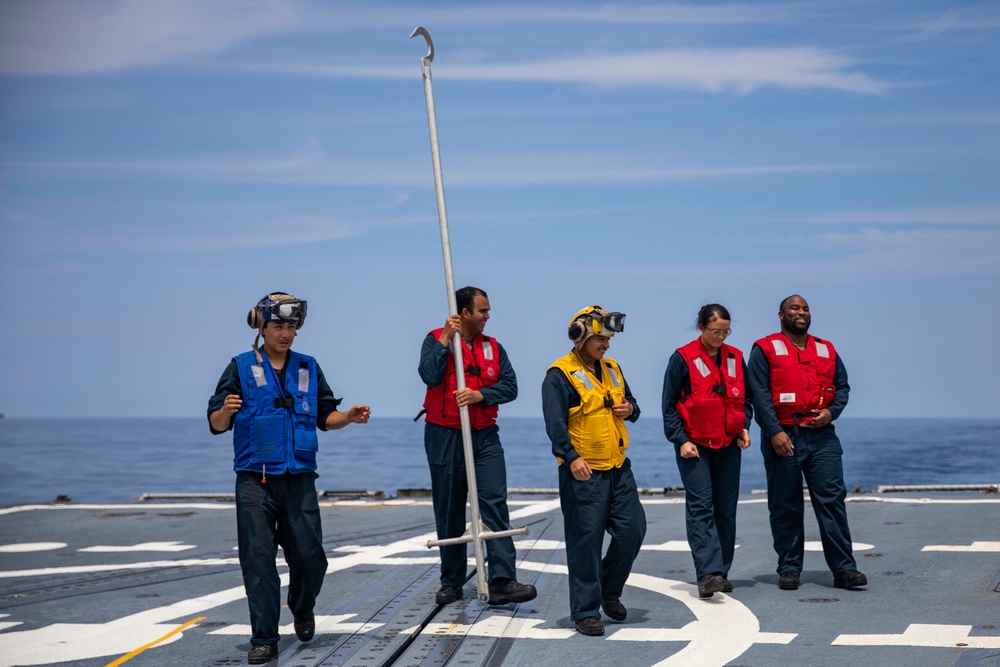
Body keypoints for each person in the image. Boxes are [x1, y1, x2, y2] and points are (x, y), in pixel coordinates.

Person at [208, 292, 371, 665]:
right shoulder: (240, 366)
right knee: (259, 561)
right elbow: (217, 423)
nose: (285, 333)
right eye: (278, 326)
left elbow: (324, 416)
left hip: (298, 478)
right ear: (262, 327)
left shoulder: (309, 367)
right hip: (255, 480)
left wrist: (348, 416)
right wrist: (226, 410)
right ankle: (264, 637)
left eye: (291, 326)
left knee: (312, 557)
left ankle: (302, 606)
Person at [418, 286, 537, 607]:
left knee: (494, 503)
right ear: (464, 313)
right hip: (444, 435)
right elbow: (429, 376)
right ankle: (451, 581)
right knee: (449, 507)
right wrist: (445, 338)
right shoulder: (435, 339)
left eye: (488, 310)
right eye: (482, 311)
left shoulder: (494, 348)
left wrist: (479, 395)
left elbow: (510, 386)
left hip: (485, 435)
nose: (488, 316)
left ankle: (502, 579)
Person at [746, 294, 867, 592]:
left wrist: (831, 412)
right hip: (784, 435)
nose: (801, 312)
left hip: (823, 437)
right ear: (780, 315)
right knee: (785, 505)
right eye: (794, 309)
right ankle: (789, 568)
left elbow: (842, 387)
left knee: (832, 502)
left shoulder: (826, 349)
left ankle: (844, 569)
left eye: (805, 308)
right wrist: (774, 432)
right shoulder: (764, 349)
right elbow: (758, 395)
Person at [542, 305, 646, 637]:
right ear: (580, 337)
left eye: (608, 339)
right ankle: (586, 611)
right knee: (585, 542)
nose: (607, 345)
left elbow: (633, 404)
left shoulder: (612, 368)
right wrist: (570, 457)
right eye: (600, 338)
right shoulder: (559, 375)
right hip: (583, 472)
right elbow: (555, 423)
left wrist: (630, 408)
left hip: (618, 468)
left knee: (633, 532)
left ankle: (607, 591)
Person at [661, 304, 753, 598]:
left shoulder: (736, 358)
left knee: (725, 509)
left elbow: (745, 400)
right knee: (701, 507)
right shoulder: (682, 358)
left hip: (728, 444)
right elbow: (669, 406)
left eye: (726, 331)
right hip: (695, 447)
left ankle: (721, 571)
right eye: (716, 331)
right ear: (701, 327)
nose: (721, 336)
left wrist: (744, 426)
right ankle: (707, 573)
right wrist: (680, 440)